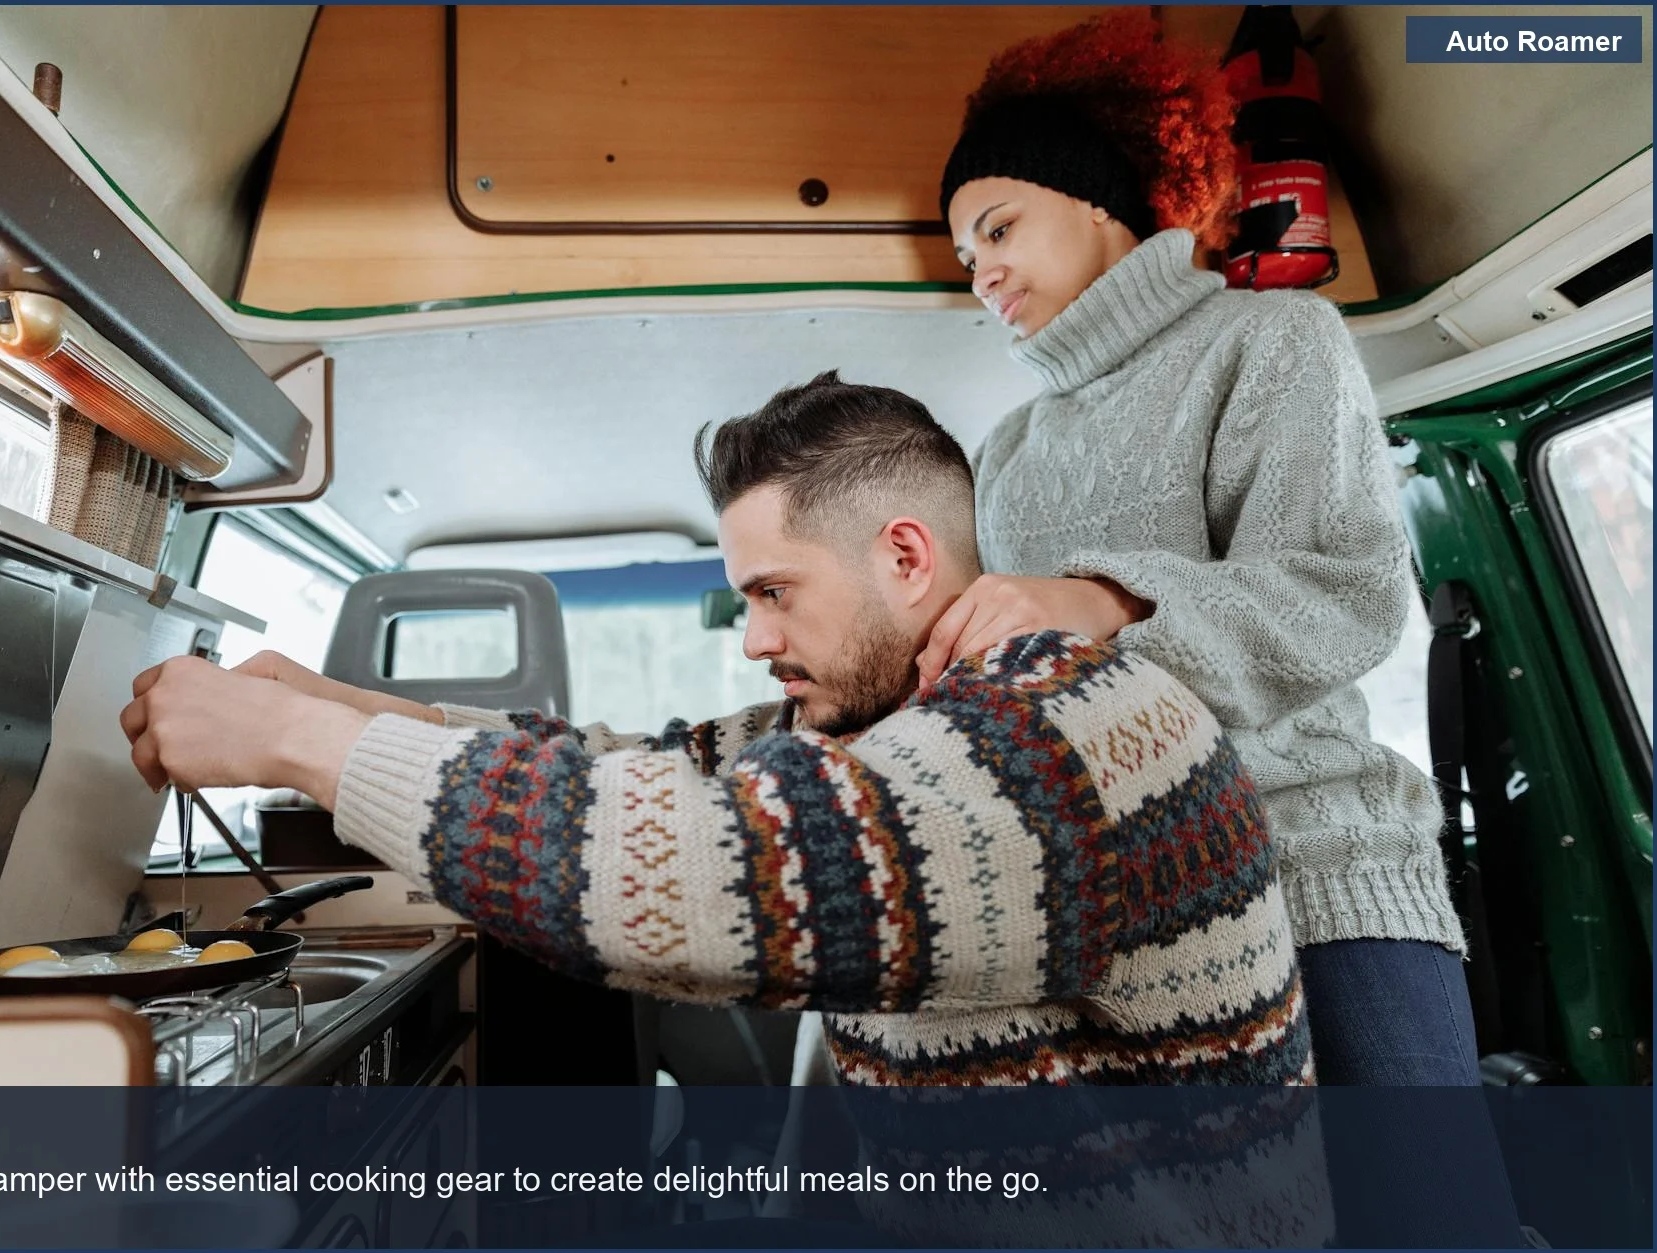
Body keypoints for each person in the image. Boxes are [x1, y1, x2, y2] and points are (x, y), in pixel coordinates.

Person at [122, 372, 1312, 1086]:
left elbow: (688, 868)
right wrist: (331, 703)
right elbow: (620, 771)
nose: (752, 640)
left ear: (903, 555)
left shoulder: (1062, 730)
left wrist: (288, 741)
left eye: (771, 593)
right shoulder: (894, 723)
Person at [916, 12, 1473, 1085]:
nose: (977, 271)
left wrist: (1107, 602)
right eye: (961, 253)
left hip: (1315, 872)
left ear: (1095, 203)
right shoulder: (1006, 449)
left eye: (995, 227)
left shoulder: (1268, 340)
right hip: (1115, 916)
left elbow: (1343, 593)